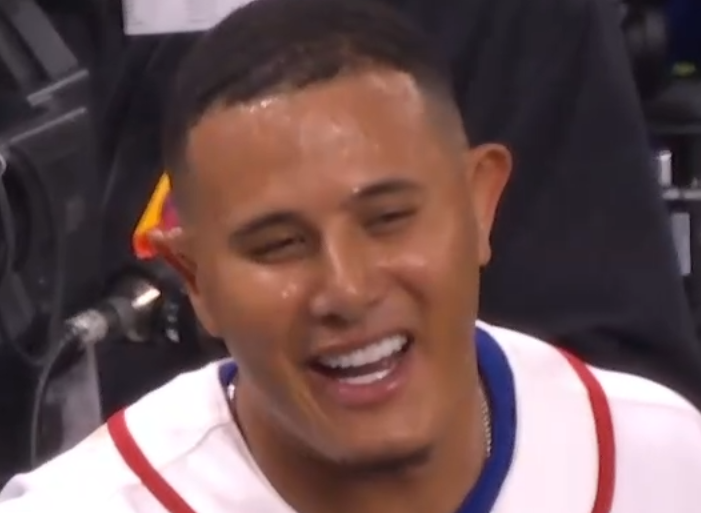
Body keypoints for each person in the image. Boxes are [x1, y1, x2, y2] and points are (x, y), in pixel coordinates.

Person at [3, 0, 700, 511]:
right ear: (194, 277)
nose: (346, 288)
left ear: (480, 202)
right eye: (279, 245)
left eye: (388, 220)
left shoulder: (664, 462)